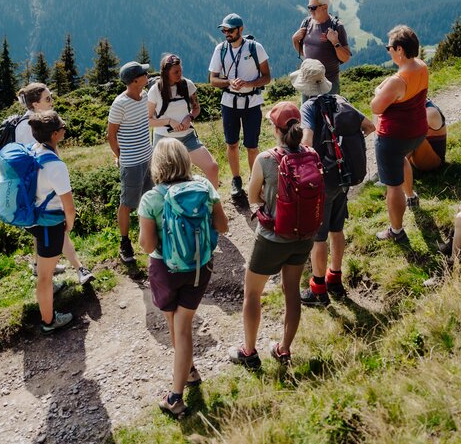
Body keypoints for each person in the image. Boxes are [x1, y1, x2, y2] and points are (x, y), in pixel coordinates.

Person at [138, 137, 229, 418]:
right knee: (184, 325)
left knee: (176, 328)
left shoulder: (151, 198)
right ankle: (188, 370)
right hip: (200, 267)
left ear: (157, 164)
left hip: (166, 270)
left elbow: (147, 246)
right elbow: (223, 226)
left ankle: (175, 398)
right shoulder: (204, 187)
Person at [229, 102, 316, 369]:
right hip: (304, 235)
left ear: (276, 129)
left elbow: (253, 197)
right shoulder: (312, 154)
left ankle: (249, 352)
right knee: (292, 291)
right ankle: (283, 349)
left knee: (252, 293)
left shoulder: (266, 159)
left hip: (272, 237)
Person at [292, 59, 375, 305]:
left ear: (306, 85)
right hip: (344, 176)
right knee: (337, 229)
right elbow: (369, 126)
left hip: (322, 180)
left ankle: (318, 290)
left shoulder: (309, 107)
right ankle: (335, 279)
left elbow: (306, 142)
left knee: (319, 236)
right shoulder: (341, 101)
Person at [16, 83, 94, 286]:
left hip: (38, 191)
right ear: (35, 104)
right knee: (58, 227)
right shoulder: (27, 128)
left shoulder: (36, 123)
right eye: (47, 99)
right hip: (43, 191)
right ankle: (79, 269)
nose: (52, 101)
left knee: (43, 229)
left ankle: (38, 264)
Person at [370, 25, 429, 245]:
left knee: (392, 185)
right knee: (402, 159)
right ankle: (411, 197)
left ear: (400, 50)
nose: (389, 51)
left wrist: (379, 91)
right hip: (417, 131)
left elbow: (375, 107)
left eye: (390, 48)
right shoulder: (421, 66)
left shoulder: (397, 80)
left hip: (393, 136)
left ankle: (396, 231)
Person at [208, 13, 271, 202]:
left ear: (240, 29)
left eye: (230, 30)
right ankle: (236, 181)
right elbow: (212, 80)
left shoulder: (255, 48)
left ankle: (255, 179)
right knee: (232, 143)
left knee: (252, 146)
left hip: (252, 103)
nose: (226, 33)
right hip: (229, 102)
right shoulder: (220, 49)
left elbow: (267, 77)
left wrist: (248, 84)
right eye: (224, 30)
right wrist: (229, 82)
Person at [25, 110, 75, 333]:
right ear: (55, 134)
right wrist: (69, 225)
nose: (65, 129)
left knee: (45, 270)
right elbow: (69, 206)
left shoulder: (33, 150)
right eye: (62, 128)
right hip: (49, 224)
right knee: (45, 276)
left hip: (33, 217)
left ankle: (48, 308)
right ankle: (49, 321)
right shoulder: (55, 166)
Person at [147, 54, 219, 187]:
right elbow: (148, 120)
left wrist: (189, 117)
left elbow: (196, 108)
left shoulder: (187, 85)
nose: (179, 74)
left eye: (180, 70)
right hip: (164, 140)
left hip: (187, 137)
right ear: (165, 72)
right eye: (175, 72)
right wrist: (168, 121)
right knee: (163, 180)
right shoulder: (155, 90)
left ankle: (212, 205)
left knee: (212, 168)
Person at [107, 61, 153, 264]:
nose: (147, 74)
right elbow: (111, 135)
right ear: (135, 81)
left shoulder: (145, 96)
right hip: (132, 162)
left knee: (149, 197)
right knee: (127, 203)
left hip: (148, 157)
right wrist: (120, 156)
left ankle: (150, 235)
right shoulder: (119, 104)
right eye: (144, 73)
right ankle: (124, 243)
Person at [291, 0, 351, 97]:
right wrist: (295, 40)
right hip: (308, 81)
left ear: (325, 7)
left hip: (329, 81)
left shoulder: (336, 27)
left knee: (330, 113)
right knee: (307, 113)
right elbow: (303, 53)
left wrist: (335, 42)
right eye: (309, 7)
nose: (310, 10)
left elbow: (346, 58)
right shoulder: (306, 23)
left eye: (313, 7)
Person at [402, 100, 448, 209]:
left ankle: (393, 173)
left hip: (433, 162)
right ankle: (393, 170)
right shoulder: (412, 108)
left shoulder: (430, 112)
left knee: (414, 137)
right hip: (416, 159)